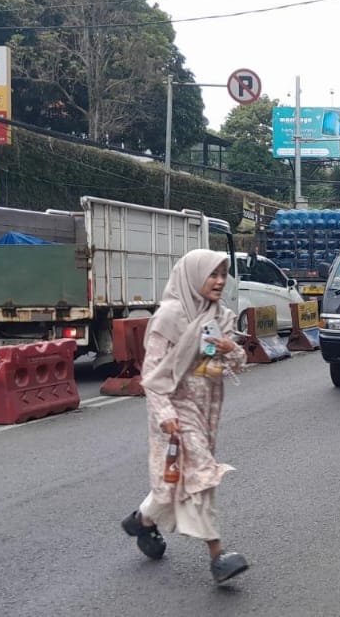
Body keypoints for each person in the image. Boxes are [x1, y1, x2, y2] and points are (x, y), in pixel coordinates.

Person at [120, 249, 250, 585]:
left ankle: (142, 520)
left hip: (207, 408)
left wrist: (231, 350)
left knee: (173, 481)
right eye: (212, 274)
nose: (219, 281)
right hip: (174, 409)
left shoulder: (220, 316)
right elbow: (152, 375)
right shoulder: (169, 317)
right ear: (193, 276)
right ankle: (218, 555)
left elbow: (236, 364)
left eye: (223, 274)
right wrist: (164, 414)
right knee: (202, 473)